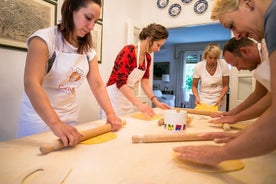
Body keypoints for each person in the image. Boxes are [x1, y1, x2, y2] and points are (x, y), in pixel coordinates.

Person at [174, 0, 276, 165]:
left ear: (247, 3)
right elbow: (265, 96)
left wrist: (221, 153)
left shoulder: (273, 19)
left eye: (232, 25)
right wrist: (238, 125)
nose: (236, 35)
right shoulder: (267, 36)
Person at [18, 0, 122, 147]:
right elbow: (31, 84)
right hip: (39, 119)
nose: (91, 26)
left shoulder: (88, 50)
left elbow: (98, 85)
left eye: (95, 21)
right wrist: (55, 123)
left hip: (69, 117)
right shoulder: (44, 40)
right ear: (71, 9)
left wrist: (110, 114)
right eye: (88, 18)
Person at [102, 23, 171, 117]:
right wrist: (139, 104)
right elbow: (120, 82)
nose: (158, 49)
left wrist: (156, 102)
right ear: (149, 39)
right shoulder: (128, 52)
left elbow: (145, 83)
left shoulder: (147, 58)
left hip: (127, 98)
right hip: (113, 98)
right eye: (158, 45)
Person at [210, 37, 271, 124]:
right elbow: (258, 93)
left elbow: (272, 98)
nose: (238, 69)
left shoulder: (270, 51)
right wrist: (231, 113)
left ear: (245, 51)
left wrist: (235, 118)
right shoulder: (260, 63)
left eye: (237, 64)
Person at [192, 43, 230, 110]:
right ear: (206, 55)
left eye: (215, 58)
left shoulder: (223, 64)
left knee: (217, 119)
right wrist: (197, 97)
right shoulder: (199, 66)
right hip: (203, 99)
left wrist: (220, 98)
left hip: (219, 98)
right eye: (210, 57)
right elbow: (194, 86)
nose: (213, 61)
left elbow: (226, 86)